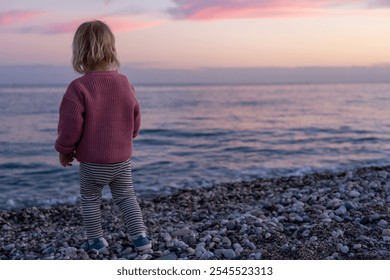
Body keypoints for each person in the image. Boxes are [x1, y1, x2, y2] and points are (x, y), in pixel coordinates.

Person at [55, 20, 151, 253]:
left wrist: (64, 149)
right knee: (127, 197)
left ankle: (96, 241)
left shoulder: (78, 87)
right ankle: (140, 238)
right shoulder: (124, 82)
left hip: (92, 163)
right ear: (111, 49)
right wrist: (129, 136)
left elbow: (71, 126)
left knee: (90, 199)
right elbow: (134, 116)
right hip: (121, 159)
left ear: (79, 52)